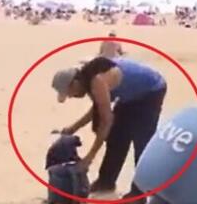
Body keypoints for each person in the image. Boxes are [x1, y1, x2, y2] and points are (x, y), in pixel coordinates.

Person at [52, 56, 167, 201]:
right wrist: (73, 128)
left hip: (151, 91)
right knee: (117, 138)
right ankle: (105, 182)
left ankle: (139, 193)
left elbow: (106, 121)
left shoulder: (97, 81)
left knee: (141, 142)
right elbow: (98, 108)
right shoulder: (87, 78)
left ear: (75, 83)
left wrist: (89, 157)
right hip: (129, 96)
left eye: (69, 93)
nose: (70, 97)